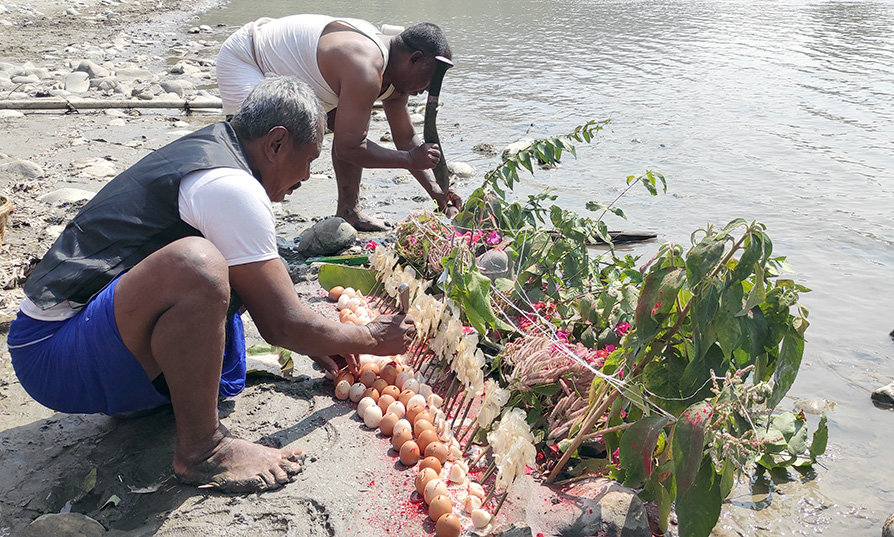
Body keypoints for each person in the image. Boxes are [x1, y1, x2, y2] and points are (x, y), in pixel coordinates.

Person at [7, 77, 416, 493]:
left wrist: (318, 338)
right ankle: (203, 450)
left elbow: (271, 303)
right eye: (308, 159)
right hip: (50, 356)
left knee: (230, 298)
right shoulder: (230, 185)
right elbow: (280, 323)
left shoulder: (221, 148)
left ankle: (140, 397)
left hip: (87, 331)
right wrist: (370, 336)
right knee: (198, 264)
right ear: (275, 144)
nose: (308, 176)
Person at [216, 14, 463, 231]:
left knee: (348, 126)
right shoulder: (366, 67)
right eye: (430, 78)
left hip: (300, 72)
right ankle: (243, 227)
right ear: (415, 60)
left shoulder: (395, 80)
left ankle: (349, 211)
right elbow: (350, 147)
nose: (428, 88)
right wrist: (410, 160)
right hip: (249, 57)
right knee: (259, 150)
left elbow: (406, 140)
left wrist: (438, 193)